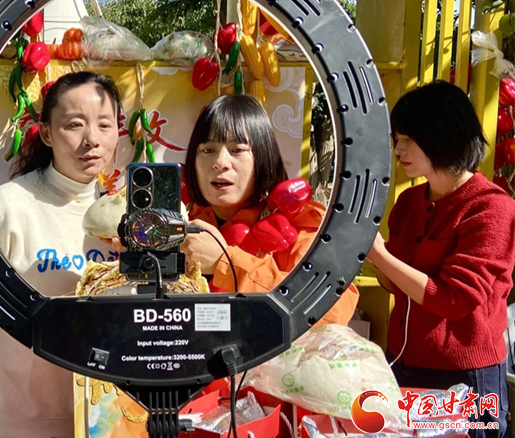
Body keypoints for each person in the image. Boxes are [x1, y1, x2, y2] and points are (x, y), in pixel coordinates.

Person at [0, 71, 122, 438]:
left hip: (104, 422)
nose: (92, 140)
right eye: (75, 124)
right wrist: (13, 359)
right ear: (48, 132)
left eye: (105, 125)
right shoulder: (8, 206)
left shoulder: (124, 217)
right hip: (14, 423)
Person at [367, 81, 514, 437]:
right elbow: (394, 282)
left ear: (443, 135)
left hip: (465, 376)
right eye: (396, 139)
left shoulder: (491, 209)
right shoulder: (408, 202)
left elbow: (454, 299)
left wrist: (380, 255)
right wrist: (365, 252)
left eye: (408, 139)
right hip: (404, 363)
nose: (398, 149)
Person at [181, 94, 358, 325]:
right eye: (207, 150)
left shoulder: (297, 224)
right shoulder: (178, 221)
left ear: (262, 157)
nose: (220, 162)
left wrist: (227, 263)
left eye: (237, 149)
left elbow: (333, 310)